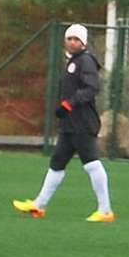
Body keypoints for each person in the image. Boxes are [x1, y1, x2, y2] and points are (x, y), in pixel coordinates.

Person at [13, 24, 115, 222]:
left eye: (77, 39)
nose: (72, 42)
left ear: (83, 43)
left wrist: (69, 104)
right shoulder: (73, 61)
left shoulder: (85, 61)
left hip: (83, 122)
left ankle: (105, 211)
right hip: (70, 124)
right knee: (57, 162)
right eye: (69, 38)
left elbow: (91, 88)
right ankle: (39, 205)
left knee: (92, 163)